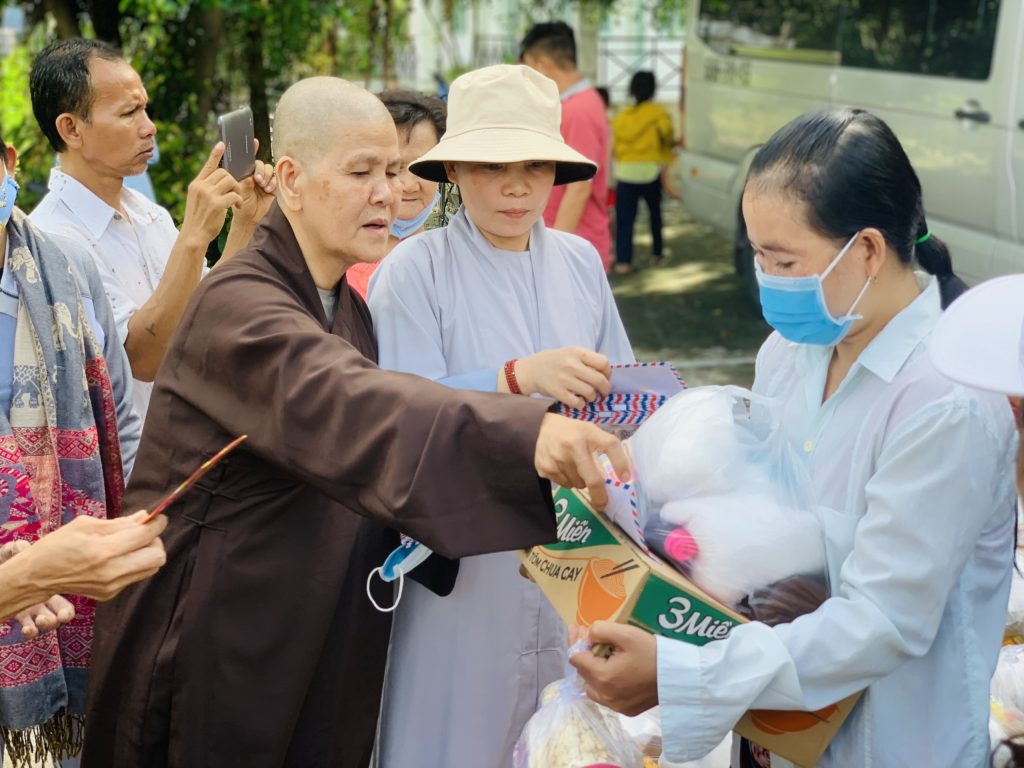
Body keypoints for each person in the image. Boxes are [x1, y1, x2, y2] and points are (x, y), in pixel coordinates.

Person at [78, 76, 630, 768]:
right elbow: (360, 406)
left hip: (319, 619)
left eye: (394, 171)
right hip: (221, 628)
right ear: (291, 180)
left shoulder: (346, 305)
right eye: (361, 171)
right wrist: (530, 431)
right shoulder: (240, 304)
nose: (387, 193)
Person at [571, 108, 1018, 768]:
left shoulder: (942, 400)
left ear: (866, 250)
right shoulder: (790, 352)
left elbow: (882, 619)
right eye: (756, 254)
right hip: (775, 734)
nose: (767, 278)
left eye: (783, 259)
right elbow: (751, 510)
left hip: (890, 744)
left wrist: (684, 672)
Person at [369, 64, 634, 768]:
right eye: (493, 166)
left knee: (571, 734)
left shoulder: (580, 263)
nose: (516, 187)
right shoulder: (415, 270)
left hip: (575, 551)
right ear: (454, 167)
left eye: (533, 165)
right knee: (454, 732)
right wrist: (515, 378)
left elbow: (622, 397)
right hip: (465, 560)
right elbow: (398, 408)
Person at [28, 38, 275, 421]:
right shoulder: (52, 240)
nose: (149, 128)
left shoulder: (147, 213)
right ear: (71, 129)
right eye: (130, 113)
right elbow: (143, 359)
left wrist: (245, 222)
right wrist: (193, 238)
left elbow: (211, 312)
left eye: (145, 109)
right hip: (132, 470)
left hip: (190, 453)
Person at [0, 132, 143, 765]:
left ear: (7, 164)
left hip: (72, 589)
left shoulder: (67, 266)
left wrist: (129, 532)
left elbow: (118, 420)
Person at [521, 22, 611, 271]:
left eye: (528, 68)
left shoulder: (579, 109)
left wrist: (551, 253)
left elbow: (580, 188)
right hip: (571, 241)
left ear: (542, 66)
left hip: (573, 247)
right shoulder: (577, 104)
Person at [347, 90, 446, 300]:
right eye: (395, 168)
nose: (409, 185)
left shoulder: (453, 262)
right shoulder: (334, 260)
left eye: (422, 167)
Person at [611, 70, 674, 274]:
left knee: (625, 220)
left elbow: (615, 146)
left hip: (626, 173)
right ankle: (657, 252)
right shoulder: (659, 114)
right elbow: (668, 138)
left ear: (632, 90)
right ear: (653, 89)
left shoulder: (621, 118)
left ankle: (623, 262)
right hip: (651, 172)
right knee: (655, 215)